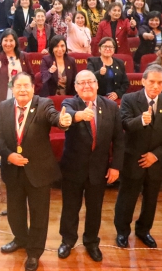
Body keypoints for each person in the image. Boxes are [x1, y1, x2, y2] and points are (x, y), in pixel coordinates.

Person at [0, 72, 72, 271]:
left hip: (39, 170)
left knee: (39, 214)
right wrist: (8, 155)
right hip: (13, 168)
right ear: (12, 89)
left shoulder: (44, 104)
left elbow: (54, 117)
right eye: (18, 86)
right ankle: (20, 239)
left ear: (33, 88)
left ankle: (34, 252)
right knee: (15, 211)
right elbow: (0, 138)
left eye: (26, 86)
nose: (22, 89)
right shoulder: (4, 107)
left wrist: (63, 122)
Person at [57, 70, 123, 261]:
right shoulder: (69, 103)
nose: (86, 86)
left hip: (99, 169)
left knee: (95, 208)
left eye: (90, 82)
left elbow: (119, 139)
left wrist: (115, 166)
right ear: (76, 87)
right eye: (81, 83)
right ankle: (67, 241)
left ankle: (91, 242)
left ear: (97, 84)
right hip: (73, 168)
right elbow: (67, 115)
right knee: (70, 207)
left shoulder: (110, 106)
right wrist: (79, 115)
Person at [113, 64, 162, 249]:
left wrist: (156, 155)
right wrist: (141, 120)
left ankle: (144, 231)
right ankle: (122, 232)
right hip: (133, 159)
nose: (155, 86)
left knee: (151, 200)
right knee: (127, 198)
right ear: (143, 81)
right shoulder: (129, 99)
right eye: (151, 82)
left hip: (156, 162)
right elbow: (124, 124)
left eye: (160, 83)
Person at [0, 29, 34, 107]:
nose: (8, 43)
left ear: (15, 42)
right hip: (3, 94)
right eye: (5, 40)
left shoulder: (23, 56)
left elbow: (31, 75)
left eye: (11, 40)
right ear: (1, 42)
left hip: (21, 91)